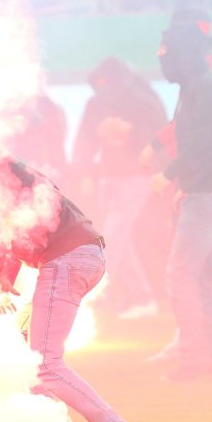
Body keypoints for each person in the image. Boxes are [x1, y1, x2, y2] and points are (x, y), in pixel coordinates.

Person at [0, 156, 154, 422]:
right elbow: (15, 235)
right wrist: (0, 280)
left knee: (45, 362)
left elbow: (5, 235)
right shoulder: (15, 173)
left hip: (66, 261)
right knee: (26, 351)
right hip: (77, 258)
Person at [143, 21, 212, 381]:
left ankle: (196, 360)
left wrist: (169, 175)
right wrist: (186, 183)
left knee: (180, 274)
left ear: (182, 54)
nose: (162, 61)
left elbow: (203, 146)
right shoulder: (198, 85)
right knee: (198, 274)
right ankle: (208, 357)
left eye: (166, 53)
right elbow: (204, 146)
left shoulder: (203, 89)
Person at [72, 57, 167, 320]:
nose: (103, 88)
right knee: (117, 237)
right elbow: (85, 139)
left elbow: (162, 135)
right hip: (107, 177)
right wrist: (86, 172)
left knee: (113, 236)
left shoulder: (143, 99)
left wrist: (131, 131)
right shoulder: (96, 103)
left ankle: (98, 294)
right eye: (98, 84)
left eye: (107, 83)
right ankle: (142, 297)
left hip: (137, 176)